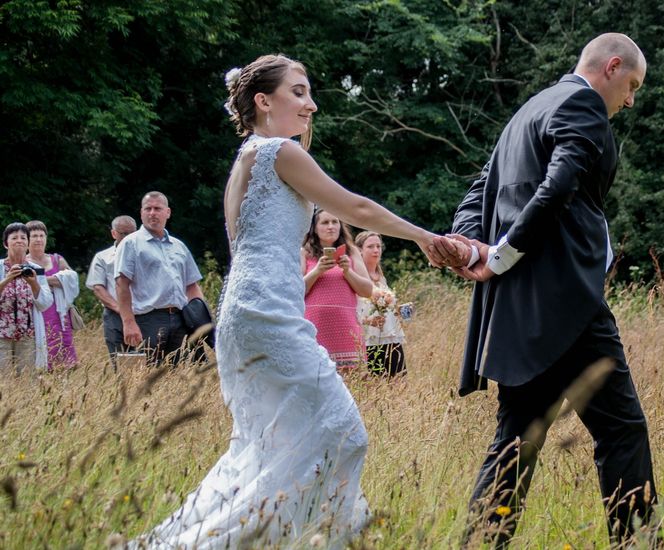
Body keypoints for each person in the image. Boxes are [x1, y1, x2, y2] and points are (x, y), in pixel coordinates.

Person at [129, 54, 443, 549]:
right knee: (342, 433)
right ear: (263, 100)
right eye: (298, 92)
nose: (311, 104)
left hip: (243, 314)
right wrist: (425, 237)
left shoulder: (245, 161)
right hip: (268, 314)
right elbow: (353, 207)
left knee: (269, 447)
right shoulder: (278, 151)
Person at [430, 33, 657, 546]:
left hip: (518, 312)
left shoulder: (526, 112)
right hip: (568, 306)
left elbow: (478, 193)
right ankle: (637, 543)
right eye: (632, 85)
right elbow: (559, 184)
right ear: (612, 66)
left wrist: (472, 250)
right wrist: (499, 254)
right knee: (622, 432)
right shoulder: (583, 103)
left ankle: (482, 544)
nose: (631, 99)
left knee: (516, 441)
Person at [114, 192, 204, 365]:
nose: (152, 213)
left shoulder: (179, 246)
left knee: (176, 377)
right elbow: (121, 285)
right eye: (148, 209)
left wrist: (200, 319)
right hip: (148, 320)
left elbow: (192, 286)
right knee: (146, 376)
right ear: (141, 213)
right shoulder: (131, 243)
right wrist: (128, 322)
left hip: (180, 319)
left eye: (157, 208)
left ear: (168, 212)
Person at [302, 209, 372, 368]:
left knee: (352, 381)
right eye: (325, 222)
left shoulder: (351, 251)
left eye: (335, 222)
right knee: (317, 377)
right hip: (315, 327)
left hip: (347, 328)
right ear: (314, 227)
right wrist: (317, 271)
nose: (331, 226)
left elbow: (367, 291)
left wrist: (348, 272)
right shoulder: (304, 253)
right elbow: (295, 291)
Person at [25, 220, 79, 369]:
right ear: (27, 239)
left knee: (64, 347)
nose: (38, 239)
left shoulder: (56, 259)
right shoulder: (24, 263)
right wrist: (55, 281)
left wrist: (40, 280)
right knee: (43, 345)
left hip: (59, 312)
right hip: (39, 312)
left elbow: (72, 279)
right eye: (34, 235)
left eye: (42, 235)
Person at [0, 223, 53, 374]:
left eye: (23, 238)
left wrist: (34, 283)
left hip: (27, 334)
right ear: (6, 243)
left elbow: (45, 303)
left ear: (27, 243)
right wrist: (7, 279)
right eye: (14, 237)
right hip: (2, 334)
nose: (19, 241)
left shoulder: (35, 269)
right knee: (2, 381)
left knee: (27, 382)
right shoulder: (0, 267)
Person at [86, 215, 137, 364]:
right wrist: (120, 309)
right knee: (120, 359)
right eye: (124, 234)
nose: (128, 237)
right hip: (115, 314)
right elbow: (98, 287)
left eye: (132, 233)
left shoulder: (144, 254)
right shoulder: (103, 257)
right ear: (114, 233)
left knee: (146, 358)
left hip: (142, 312)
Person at [355, 231, 407, 377]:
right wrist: (367, 321)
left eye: (378, 246)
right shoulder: (356, 276)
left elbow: (387, 308)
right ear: (359, 250)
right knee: (375, 382)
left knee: (399, 381)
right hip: (369, 338)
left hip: (390, 335)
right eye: (370, 246)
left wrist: (399, 312)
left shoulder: (381, 277)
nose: (376, 250)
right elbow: (352, 308)